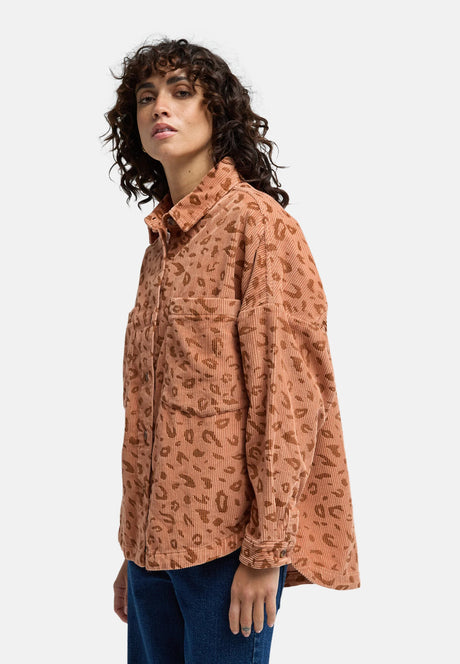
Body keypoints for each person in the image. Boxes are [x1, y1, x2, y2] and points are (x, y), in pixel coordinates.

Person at [102, 36, 361, 664]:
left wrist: (265, 555)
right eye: (146, 97)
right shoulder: (160, 247)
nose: (160, 107)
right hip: (151, 556)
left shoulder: (259, 228)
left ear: (217, 113)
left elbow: (288, 403)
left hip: (225, 554)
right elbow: (151, 416)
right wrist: (133, 553)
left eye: (181, 92)